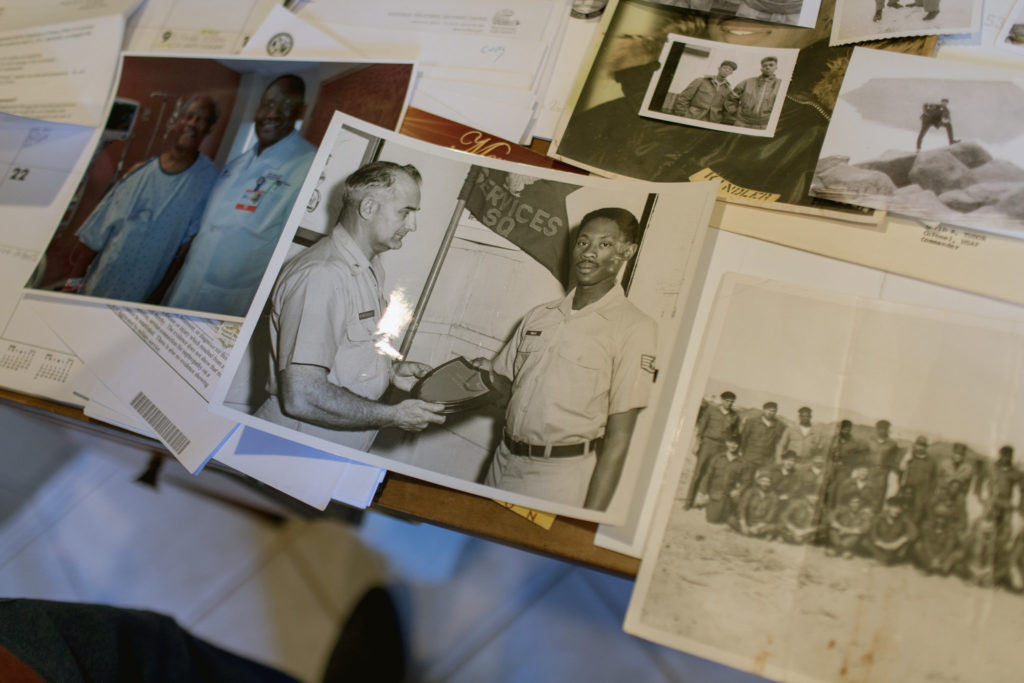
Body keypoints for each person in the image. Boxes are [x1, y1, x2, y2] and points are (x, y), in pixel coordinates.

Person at [254, 161, 446, 451]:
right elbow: (303, 395)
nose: (413, 226)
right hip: (292, 448)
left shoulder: (366, 268)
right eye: (405, 212)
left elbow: (342, 352)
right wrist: (393, 416)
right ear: (368, 208)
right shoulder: (323, 274)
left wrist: (390, 373)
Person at [473, 208, 657, 510]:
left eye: (605, 244)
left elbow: (619, 439)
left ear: (627, 251)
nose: (589, 253)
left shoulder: (635, 328)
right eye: (583, 243)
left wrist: (583, 526)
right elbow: (503, 385)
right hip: (502, 460)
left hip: (558, 477)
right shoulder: (540, 316)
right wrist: (464, 378)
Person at [164, 75, 317, 316]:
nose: (273, 113)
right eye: (268, 104)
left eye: (286, 106)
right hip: (185, 289)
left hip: (230, 304)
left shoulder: (309, 167)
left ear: (301, 111)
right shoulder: (235, 165)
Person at [68, 95, 221, 302]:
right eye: (189, 116)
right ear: (178, 121)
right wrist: (74, 281)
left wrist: (159, 295)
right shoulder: (140, 172)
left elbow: (184, 251)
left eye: (201, 119)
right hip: (101, 281)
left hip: (141, 292)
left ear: (209, 129)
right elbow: (98, 229)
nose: (193, 123)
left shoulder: (208, 180)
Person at [685, 390, 740, 509]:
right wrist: (697, 444)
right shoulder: (711, 410)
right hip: (708, 444)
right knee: (698, 473)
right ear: (722, 400)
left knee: (714, 474)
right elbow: (702, 427)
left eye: (732, 402)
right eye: (727, 401)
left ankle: (702, 502)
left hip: (722, 447)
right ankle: (689, 501)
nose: (730, 403)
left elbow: (735, 434)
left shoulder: (735, 416)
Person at [699, 435, 749, 524]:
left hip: (729, 494)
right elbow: (708, 476)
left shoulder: (742, 463)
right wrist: (703, 493)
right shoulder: (717, 458)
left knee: (727, 520)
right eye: (730, 443)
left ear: (739, 446)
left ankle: (729, 509)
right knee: (712, 519)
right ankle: (710, 504)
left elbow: (746, 480)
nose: (732, 446)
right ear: (726, 443)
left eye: (736, 444)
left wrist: (738, 491)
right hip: (715, 492)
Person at [725, 56, 781, 129]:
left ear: (776, 67)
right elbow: (731, 99)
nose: (767, 67)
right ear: (761, 68)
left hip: (765, 125)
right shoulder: (748, 82)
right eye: (765, 65)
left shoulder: (780, 84)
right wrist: (735, 113)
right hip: (742, 123)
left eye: (771, 65)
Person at [671, 60, 736, 122]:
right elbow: (683, 98)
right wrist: (682, 115)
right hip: (693, 117)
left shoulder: (728, 90)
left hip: (711, 121)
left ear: (731, 73)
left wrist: (719, 119)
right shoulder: (700, 81)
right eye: (725, 68)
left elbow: (726, 108)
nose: (726, 70)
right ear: (719, 68)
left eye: (730, 69)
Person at [729, 468, 780, 539]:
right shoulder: (750, 492)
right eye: (763, 481)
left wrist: (757, 527)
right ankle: (753, 533)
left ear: (771, 483)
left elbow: (771, 515)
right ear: (758, 481)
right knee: (731, 519)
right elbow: (742, 508)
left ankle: (750, 532)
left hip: (761, 524)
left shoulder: (773, 496)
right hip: (748, 521)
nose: (765, 484)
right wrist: (743, 524)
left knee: (774, 527)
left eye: (768, 482)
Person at [865, 497, 918, 565]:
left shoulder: (904, 518)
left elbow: (914, 532)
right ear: (888, 507)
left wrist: (899, 542)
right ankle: (883, 558)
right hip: (881, 545)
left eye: (899, 508)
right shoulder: (879, 517)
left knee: (892, 557)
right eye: (894, 507)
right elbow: (873, 534)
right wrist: (883, 545)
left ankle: (887, 559)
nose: (897, 511)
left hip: (896, 547)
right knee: (866, 542)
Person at [739, 401, 785, 474]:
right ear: (763, 410)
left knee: (762, 482)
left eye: (773, 411)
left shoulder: (779, 426)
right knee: (746, 480)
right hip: (750, 458)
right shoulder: (752, 422)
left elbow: (780, 442)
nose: (770, 413)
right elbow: (744, 438)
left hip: (766, 461)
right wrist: (741, 452)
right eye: (768, 410)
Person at [900, 436, 937, 524]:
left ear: (926, 447)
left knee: (917, 515)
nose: (920, 448)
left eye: (923, 446)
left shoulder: (931, 461)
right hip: (908, 493)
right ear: (915, 445)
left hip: (922, 494)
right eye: (918, 445)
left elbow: (934, 479)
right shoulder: (909, 458)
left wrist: (930, 494)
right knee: (904, 513)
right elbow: (901, 469)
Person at [827, 494, 874, 558]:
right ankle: (844, 551)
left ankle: (837, 550)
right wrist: (839, 527)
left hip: (851, 535)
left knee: (856, 536)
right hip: (839, 532)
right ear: (849, 503)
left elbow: (864, 528)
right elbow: (831, 516)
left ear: (860, 504)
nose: (855, 505)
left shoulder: (864, 514)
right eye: (852, 502)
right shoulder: (842, 509)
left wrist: (846, 530)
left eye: (857, 502)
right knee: (832, 530)